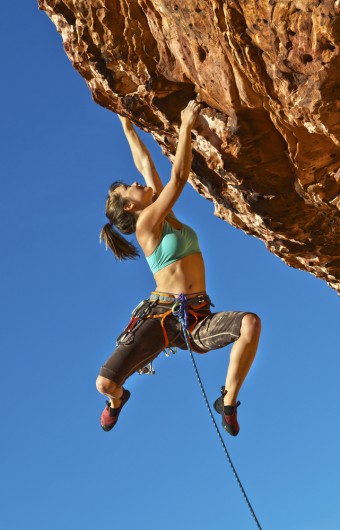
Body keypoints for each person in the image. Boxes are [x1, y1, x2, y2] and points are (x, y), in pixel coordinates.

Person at [96, 100, 261, 437]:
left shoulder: (163, 215)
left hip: (196, 318)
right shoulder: (147, 228)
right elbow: (179, 176)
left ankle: (227, 401)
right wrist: (185, 126)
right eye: (130, 187)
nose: (139, 184)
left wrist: (126, 125)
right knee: (105, 383)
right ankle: (118, 400)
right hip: (160, 318)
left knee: (250, 323)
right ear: (129, 206)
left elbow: (145, 164)